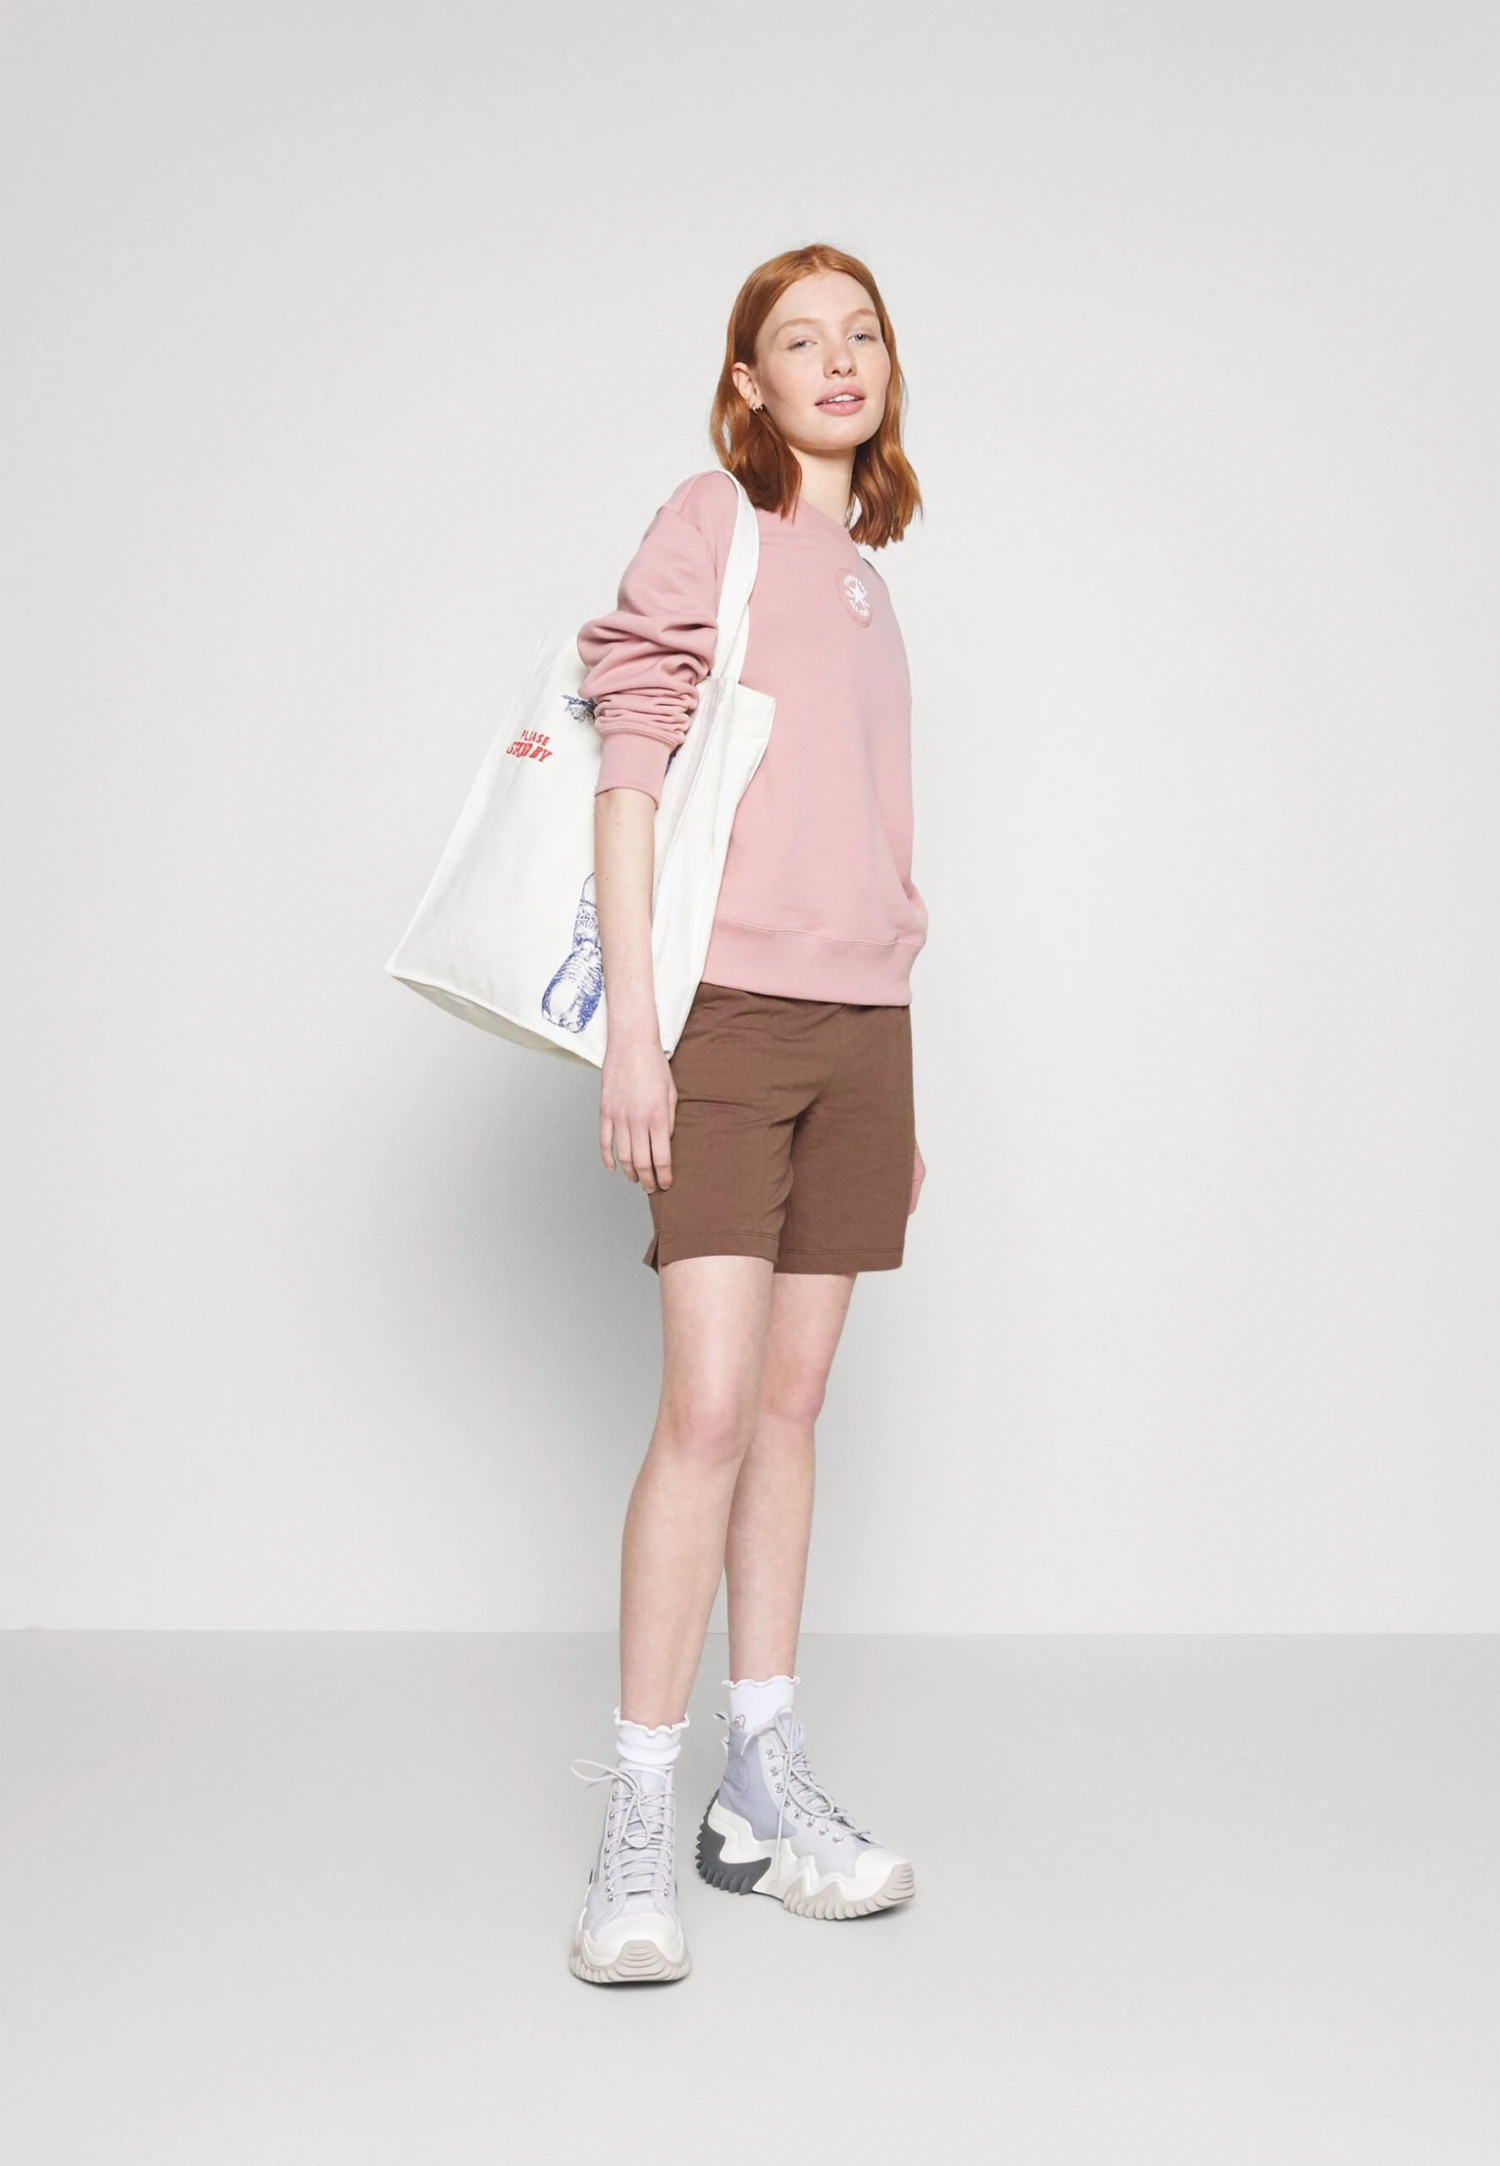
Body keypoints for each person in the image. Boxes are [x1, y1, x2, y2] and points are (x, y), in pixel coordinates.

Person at [567, 243, 929, 1985]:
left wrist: (896, 1078)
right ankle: (637, 1817)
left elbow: (868, 838)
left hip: (867, 1037)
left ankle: (756, 1785)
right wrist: (637, 1036)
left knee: (791, 1407)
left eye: (863, 333)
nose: (838, 358)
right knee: (707, 1408)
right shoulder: (712, 523)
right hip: (720, 1021)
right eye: (800, 337)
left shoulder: (868, 582)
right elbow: (628, 770)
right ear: (750, 381)